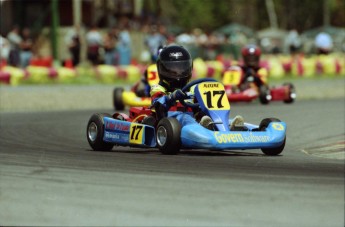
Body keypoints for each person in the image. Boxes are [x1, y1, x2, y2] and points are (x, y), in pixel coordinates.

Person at [148, 44, 243, 131]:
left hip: (192, 119)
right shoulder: (157, 88)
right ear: (161, 69)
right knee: (184, 117)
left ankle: (227, 127)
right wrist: (172, 97)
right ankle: (205, 130)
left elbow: (198, 108)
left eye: (181, 68)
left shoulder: (192, 88)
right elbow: (158, 104)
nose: (178, 73)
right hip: (170, 121)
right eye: (173, 70)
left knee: (206, 114)